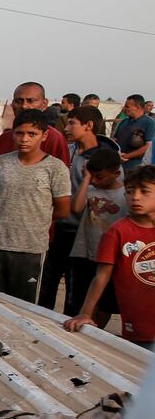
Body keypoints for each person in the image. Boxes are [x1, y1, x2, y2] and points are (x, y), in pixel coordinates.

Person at [0, 109, 71, 302]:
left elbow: (63, 210)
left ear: (44, 135)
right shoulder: (1, 163)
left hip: (30, 249)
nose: (24, 139)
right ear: (12, 134)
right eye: (19, 133)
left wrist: (35, 218)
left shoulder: (55, 168)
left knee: (23, 306)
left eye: (32, 134)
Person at [64, 165, 155, 349]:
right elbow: (102, 276)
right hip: (140, 327)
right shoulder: (118, 232)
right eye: (130, 191)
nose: (135, 197)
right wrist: (85, 313)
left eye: (144, 191)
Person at [54, 105, 120, 312]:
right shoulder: (68, 151)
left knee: (81, 290)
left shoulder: (107, 160)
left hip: (89, 235)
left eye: (72, 123)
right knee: (51, 281)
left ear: (89, 125)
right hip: (62, 227)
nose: (66, 128)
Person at [66, 147, 126, 317]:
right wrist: (86, 179)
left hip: (110, 257)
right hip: (84, 252)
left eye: (99, 177)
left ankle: (96, 329)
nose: (94, 180)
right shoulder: (90, 189)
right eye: (92, 176)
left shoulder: (125, 195)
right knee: (79, 299)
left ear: (116, 174)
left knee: (105, 304)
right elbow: (76, 208)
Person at [0, 82, 70, 165]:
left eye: (30, 101)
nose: (24, 106)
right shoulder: (3, 139)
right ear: (12, 104)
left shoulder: (54, 139)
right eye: (19, 101)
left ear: (44, 104)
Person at [114, 95, 155, 172]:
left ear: (138, 107)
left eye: (127, 107)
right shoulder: (124, 122)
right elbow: (115, 140)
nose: (125, 109)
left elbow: (148, 146)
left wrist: (127, 156)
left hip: (135, 168)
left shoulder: (149, 123)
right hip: (118, 166)